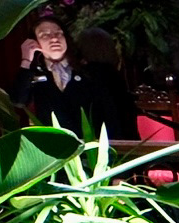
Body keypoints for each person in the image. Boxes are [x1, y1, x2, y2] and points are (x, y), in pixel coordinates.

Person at [11, 9, 134, 139]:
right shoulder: (35, 74)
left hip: (95, 149)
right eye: (44, 35)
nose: (54, 38)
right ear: (35, 42)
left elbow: (117, 114)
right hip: (59, 150)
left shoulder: (92, 70)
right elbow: (18, 101)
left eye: (58, 33)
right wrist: (26, 61)